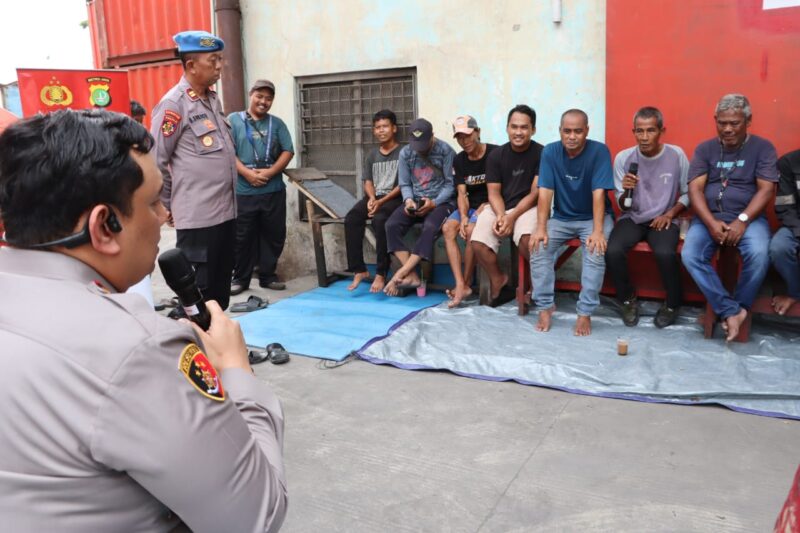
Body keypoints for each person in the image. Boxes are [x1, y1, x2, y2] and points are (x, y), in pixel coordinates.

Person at [0, 109, 286, 531]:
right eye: (153, 202)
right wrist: (237, 373)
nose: (165, 215)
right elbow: (255, 516)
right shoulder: (137, 349)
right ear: (105, 226)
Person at [151, 30, 238, 311]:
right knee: (197, 295)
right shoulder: (173, 105)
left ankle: (217, 337)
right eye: (213, 61)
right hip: (198, 219)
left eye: (220, 59)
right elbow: (156, 159)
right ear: (191, 65)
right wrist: (165, 204)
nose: (219, 66)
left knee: (220, 292)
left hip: (226, 213)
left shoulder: (212, 99)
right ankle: (194, 338)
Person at [681, 94, 778, 342]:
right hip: (709, 217)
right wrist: (711, 223)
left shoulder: (763, 148)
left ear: (748, 121)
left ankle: (741, 306)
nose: (727, 129)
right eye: (722, 122)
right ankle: (730, 310)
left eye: (734, 123)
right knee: (690, 255)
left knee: (759, 253)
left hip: (749, 219)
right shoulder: (705, 149)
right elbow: (695, 190)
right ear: (715, 120)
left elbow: (766, 189)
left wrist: (742, 220)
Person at [530, 109, 615, 336]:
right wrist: (541, 228)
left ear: (587, 131)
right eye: (567, 131)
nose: (572, 136)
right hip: (562, 218)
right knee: (538, 246)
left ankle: (585, 312)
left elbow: (599, 193)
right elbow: (545, 192)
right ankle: (545, 307)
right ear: (560, 130)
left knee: (595, 250)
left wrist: (598, 231)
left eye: (578, 131)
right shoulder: (550, 152)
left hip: (594, 217)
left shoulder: (599, 151)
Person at [605, 106, 690, 328]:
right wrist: (626, 190)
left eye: (650, 130)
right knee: (613, 250)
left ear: (662, 131)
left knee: (665, 252)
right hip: (633, 217)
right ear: (633, 132)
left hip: (664, 217)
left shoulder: (676, 155)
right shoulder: (624, 158)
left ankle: (672, 303)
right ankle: (627, 298)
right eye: (639, 131)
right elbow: (622, 205)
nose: (644, 137)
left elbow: (689, 192)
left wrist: (670, 214)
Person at [471, 105, 543, 306]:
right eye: (514, 127)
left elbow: (536, 193)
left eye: (524, 127)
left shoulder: (542, 153)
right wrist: (502, 215)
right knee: (478, 241)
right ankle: (499, 279)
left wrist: (512, 217)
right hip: (500, 207)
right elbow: (493, 193)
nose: (518, 132)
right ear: (507, 128)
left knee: (528, 240)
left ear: (533, 129)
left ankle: (538, 286)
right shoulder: (496, 155)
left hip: (528, 207)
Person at [229, 79, 295, 295]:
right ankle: (240, 279)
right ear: (251, 95)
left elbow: (288, 150)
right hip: (244, 191)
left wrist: (270, 172)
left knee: (273, 234)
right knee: (242, 237)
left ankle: (268, 276)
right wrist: (247, 173)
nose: (263, 101)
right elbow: (228, 152)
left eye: (268, 98)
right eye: (259, 96)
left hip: (272, 190)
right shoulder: (233, 121)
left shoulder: (277, 124)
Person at [384, 117, 456, 295]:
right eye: (416, 145)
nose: (420, 149)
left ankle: (402, 271)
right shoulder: (405, 153)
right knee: (391, 225)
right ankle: (412, 275)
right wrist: (408, 200)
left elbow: (450, 185)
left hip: (441, 201)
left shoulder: (446, 151)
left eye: (423, 144)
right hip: (415, 199)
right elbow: (405, 183)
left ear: (432, 136)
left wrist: (434, 203)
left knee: (430, 226)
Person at [344, 109, 403, 292]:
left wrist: (381, 202)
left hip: (395, 198)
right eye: (377, 127)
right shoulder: (371, 155)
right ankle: (359, 270)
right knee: (352, 218)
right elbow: (367, 181)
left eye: (385, 126)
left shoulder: (404, 152)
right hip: (375, 197)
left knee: (380, 220)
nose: (381, 130)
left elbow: (403, 185)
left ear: (394, 128)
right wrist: (371, 198)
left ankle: (381, 272)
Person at [441, 115, 498, 307]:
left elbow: (503, 189)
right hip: (470, 206)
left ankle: (465, 284)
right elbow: (461, 193)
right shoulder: (459, 160)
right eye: (459, 137)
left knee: (471, 230)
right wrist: (464, 215)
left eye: (467, 135)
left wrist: (485, 205)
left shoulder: (495, 154)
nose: (464, 141)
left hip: (490, 205)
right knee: (448, 228)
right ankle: (460, 283)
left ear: (478, 132)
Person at [769, 148, 800, 315]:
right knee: (779, 248)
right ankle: (795, 293)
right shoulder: (789, 162)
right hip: (796, 224)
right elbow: (785, 205)